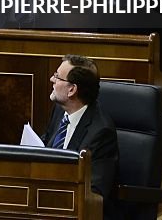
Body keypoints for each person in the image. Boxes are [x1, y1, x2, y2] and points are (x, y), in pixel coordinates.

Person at [39, 56, 118, 206]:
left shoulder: (101, 132)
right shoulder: (59, 110)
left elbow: (95, 191)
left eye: (57, 76)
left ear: (72, 90)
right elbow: (46, 142)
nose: (51, 79)